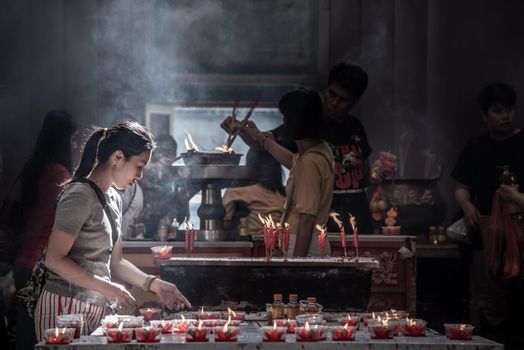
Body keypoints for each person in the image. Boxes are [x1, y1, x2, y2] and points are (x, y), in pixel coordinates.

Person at [34, 121, 191, 340]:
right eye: (139, 165)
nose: (140, 175)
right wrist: (108, 288)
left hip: (96, 307)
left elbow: (116, 263)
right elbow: (54, 259)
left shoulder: (114, 198)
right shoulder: (80, 195)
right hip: (63, 307)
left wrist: (155, 285)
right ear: (118, 157)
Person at [222, 63, 392, 234]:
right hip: (325, 228)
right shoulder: (307, 126)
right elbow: (263, 143)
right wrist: (242, 131)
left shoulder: (355, 127)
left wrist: (376, 175)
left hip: (358, 225)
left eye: (343, 100)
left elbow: (364, 176)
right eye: (332, 94)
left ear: (354, 102)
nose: (334, 103)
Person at [451, 83, 524, 349]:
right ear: (485, 115)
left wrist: (515, 198)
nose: (505, 116)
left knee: (519, 301)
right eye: (498, 110)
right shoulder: (476, 146)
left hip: (521, 235)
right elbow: (460, 188)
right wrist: (467, 205)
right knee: (490, 303)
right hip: (486, 237)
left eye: (509, 110)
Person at [13, 110, 78, 350]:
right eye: (73, 139)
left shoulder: (33, 167)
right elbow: (69, 219)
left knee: (26, 333)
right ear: (62, 140)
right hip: (42, 265)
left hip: (24, 261)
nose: (75, 145)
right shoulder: (58, 173)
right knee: (41, 338)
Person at [262, 88, 334, 256]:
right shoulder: (319, 150)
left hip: (304, 245)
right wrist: (263, 140)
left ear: (296, 121)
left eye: (286, 117)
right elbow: (293, 161)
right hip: (307, 241)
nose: (284, 123)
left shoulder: (309, 162)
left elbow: (307, 219)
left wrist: (298, 264)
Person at [222, 149, 285, 234]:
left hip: (250, 243)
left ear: (250, 166)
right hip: (279, 242)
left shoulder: (236, 191)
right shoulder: (285, 193)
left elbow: (224, 223)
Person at [139, 134, 181, 239]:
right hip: (139, 232)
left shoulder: (176, 178)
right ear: (153, 154)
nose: (166, 155)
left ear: (175, 156)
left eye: (170, 152)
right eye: (161, 151)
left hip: (166, 234)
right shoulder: (143, 172)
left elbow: (182, 215)